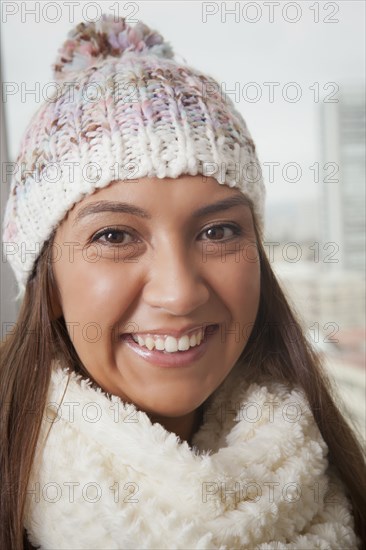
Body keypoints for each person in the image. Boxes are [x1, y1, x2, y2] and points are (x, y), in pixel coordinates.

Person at [0, 15, 365, 550]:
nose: (179, 292)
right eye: (116, 236)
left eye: (218, 231)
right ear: (48, 281)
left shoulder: (343, 481)